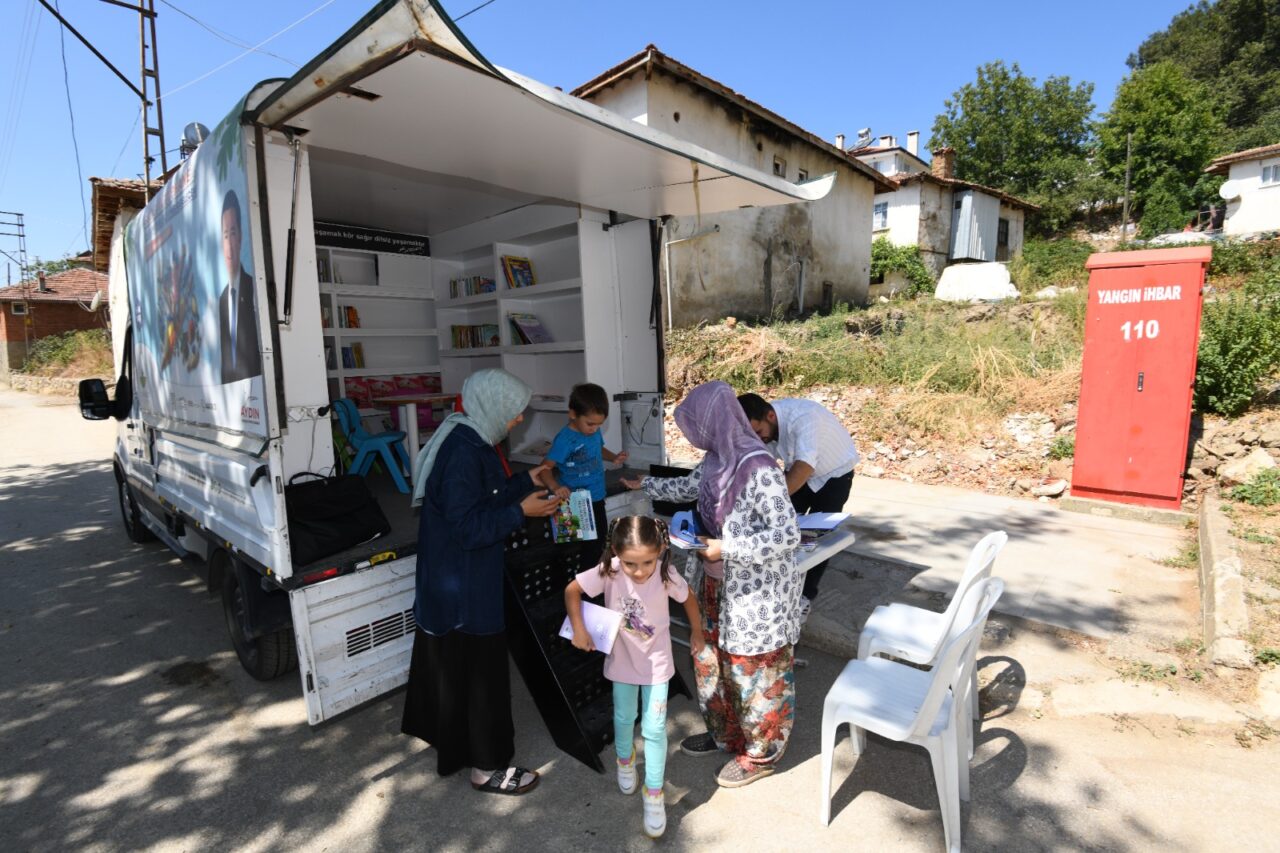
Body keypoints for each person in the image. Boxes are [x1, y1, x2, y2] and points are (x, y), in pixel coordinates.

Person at [622, 381, 801, 789]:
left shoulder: (758, 467)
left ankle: (761, 753)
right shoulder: (718, 457)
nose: (693, 436)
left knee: (754, 670)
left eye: (695, 427)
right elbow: (689, 486)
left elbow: (787, 534)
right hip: (714, 584)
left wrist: (729, 546)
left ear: (713, 422)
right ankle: (728, 735)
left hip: (755, 593)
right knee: (712, 662)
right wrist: (645, 485)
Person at [401, 368, 561, 796]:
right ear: (493, 407)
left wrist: (523, 482)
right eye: (514, 413)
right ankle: (488, 767)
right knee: (482, 678)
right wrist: (520, 513)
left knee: (462, 673)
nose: (518, 421)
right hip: (463, 589)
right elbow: (470, 527)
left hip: (458, 581)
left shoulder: (472, 437)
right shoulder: (463, 453)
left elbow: (485, 497)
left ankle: (461, 750)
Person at [564, 516, 705, 839]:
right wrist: (580, 628)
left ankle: (653, 793)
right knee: (624, 717)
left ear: (661, 551)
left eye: (647, 562)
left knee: (655, 728)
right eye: (631, 563)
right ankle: (624, 759)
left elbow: (688, 599)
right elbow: (572, 590)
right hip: (622, 663)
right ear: (615, 552)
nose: (640, 571)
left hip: (657, 664)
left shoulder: (666, 572)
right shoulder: (609, 570)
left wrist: (697, 631)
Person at [737, 393, 860, 617]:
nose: (758, 438)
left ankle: (804, 596)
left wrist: (772, 499)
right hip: (799, 469)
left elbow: (804, 467)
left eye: (758, 432)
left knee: (818, 537)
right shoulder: (766, 428)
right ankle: (778, 584)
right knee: (781, 526)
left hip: (834, 475)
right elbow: (759, 462)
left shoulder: (804, 418)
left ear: (770, 416)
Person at [542, 382, 628, 567]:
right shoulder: (565, 439)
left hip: (596, 497)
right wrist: (556, 487)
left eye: (599, 424)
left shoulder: (593, 432)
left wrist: (613, 457)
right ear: (573, 414)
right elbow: (544, 469)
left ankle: (590, 587)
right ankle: (582, 589)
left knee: (597, 546)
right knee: (574, 550)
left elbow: (598, 448)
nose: (595, 429)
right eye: (590, 424)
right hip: (571, 501)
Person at [217, 189, 262, 383]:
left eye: (233, 233)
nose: (229, 244)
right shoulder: (222, 299)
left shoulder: (254, 288)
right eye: (225, 235)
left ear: (241, 236)